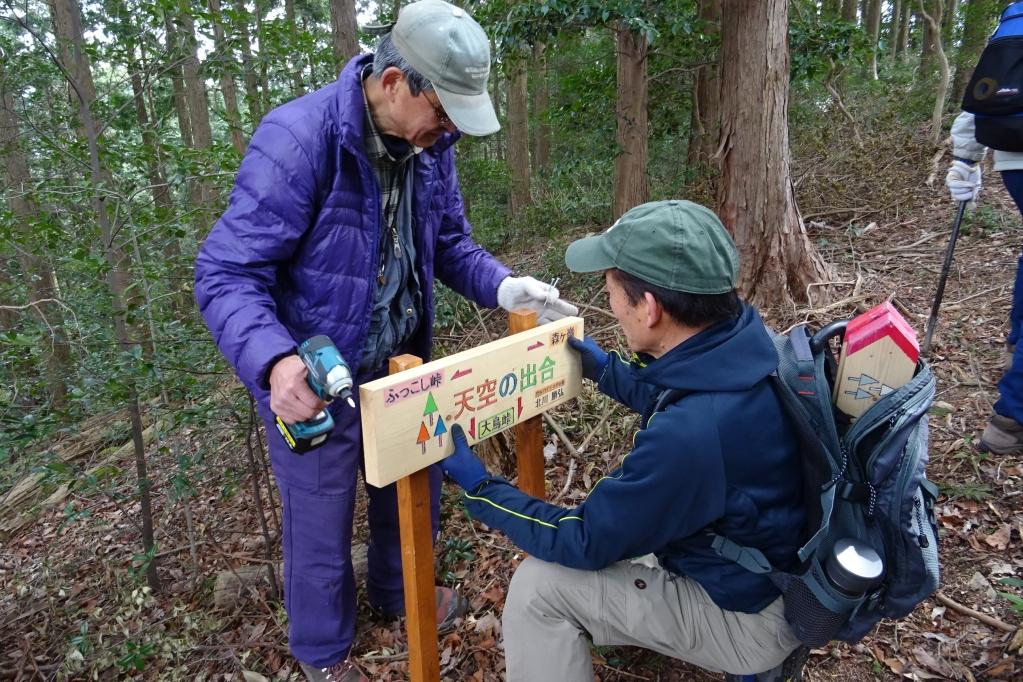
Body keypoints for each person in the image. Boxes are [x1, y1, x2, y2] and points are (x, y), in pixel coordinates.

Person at [193, 1, 577, 680]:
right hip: (315, 378)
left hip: (401, 366)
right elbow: (226, 272)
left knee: (413, 487)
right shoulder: (300, 138)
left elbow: (450, 243)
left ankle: (401, 595)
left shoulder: (432, 149)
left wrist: (501, 286)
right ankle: (323, 653)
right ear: (395, 81)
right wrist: (275, 361)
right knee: (318, 521)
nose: (448, 129)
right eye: (442, 110)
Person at [440, 200, 807, 681]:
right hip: (772, 573)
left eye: (612, 290)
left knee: (538, 589)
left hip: (749, 621)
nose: (611, 304)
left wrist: (482, 489)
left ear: (650, 308)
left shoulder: (691, 437)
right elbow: (683, 389)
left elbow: (585, 539)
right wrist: (604, 368)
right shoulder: (750, 345)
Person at [947, 110, 1023, 454]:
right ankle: (1012, 419)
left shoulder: (1006, 50)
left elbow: (986, 88)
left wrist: (966, 158)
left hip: (1013, 160)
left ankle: (1015, 350)